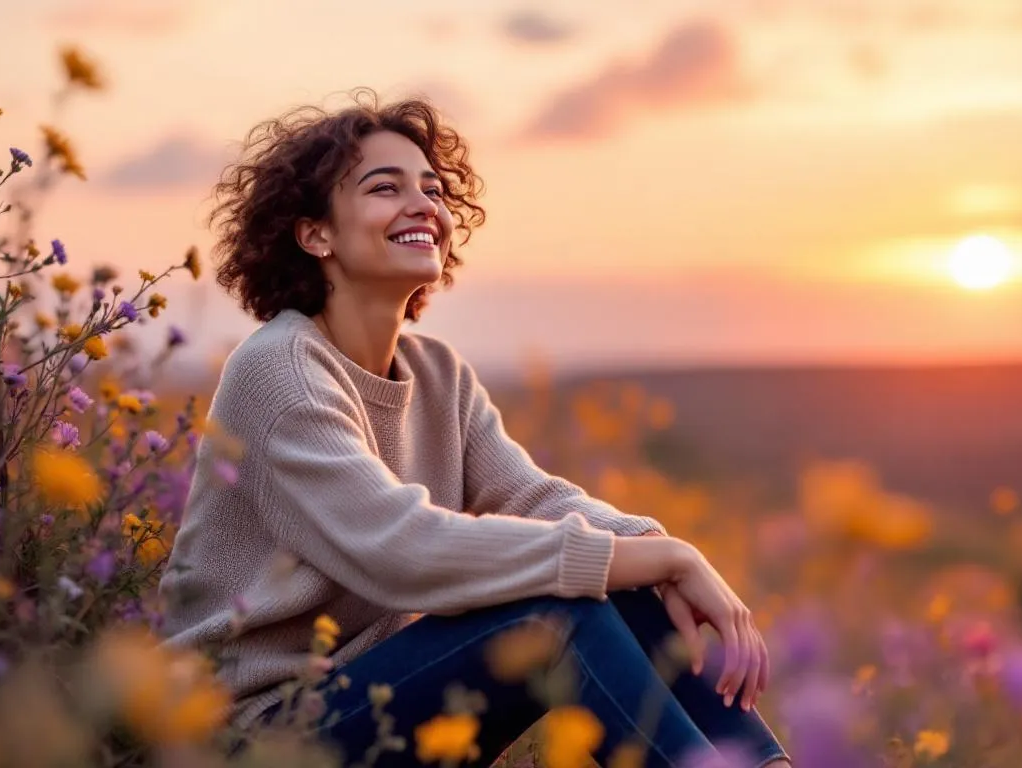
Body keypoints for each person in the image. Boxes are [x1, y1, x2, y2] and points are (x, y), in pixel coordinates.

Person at [158, 89, 790, 768]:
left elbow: (533, 497)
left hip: (367, 704)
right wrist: (669, 560)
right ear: (315, 234)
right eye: (384, 187)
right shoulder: (279, 371)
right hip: (255, 736)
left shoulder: (436, 373)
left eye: (432, 189)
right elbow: (403, 548)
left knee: (619, 579)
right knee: (557, 611)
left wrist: (656, 548)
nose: (424, 205)